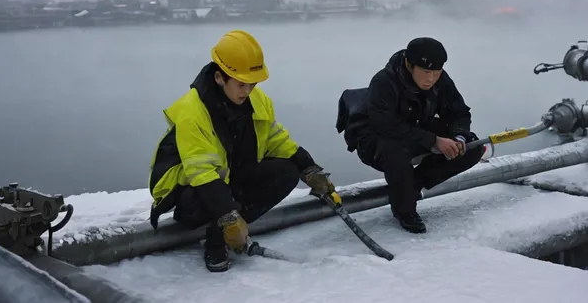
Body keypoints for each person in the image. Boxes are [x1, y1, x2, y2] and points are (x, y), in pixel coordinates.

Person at [149, 30, 337, 273]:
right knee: (208, 197)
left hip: (226, 179)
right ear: (219, 78)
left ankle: (233, 228)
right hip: (187, 190)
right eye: (241, 84)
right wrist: (228, 217)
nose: (247, 91)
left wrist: (308, 168)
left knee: (286, 172)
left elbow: (274, 138)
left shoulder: (255, 100)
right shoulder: (193, 112)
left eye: (252, 84)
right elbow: (202, 173)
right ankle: (217, 240)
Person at [335, 37, 484, 234]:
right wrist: (433, 141)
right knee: (396, 153)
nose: (431, 79)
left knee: (472, 147)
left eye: (436, 73)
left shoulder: (441, 81)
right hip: (374, 136)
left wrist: (459, 137)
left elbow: (459, 112)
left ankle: (412, 185)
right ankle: (404, 210)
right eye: (426, 72)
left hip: (415, 126)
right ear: (409, 64)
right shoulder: (384, 82)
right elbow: (385, 125)